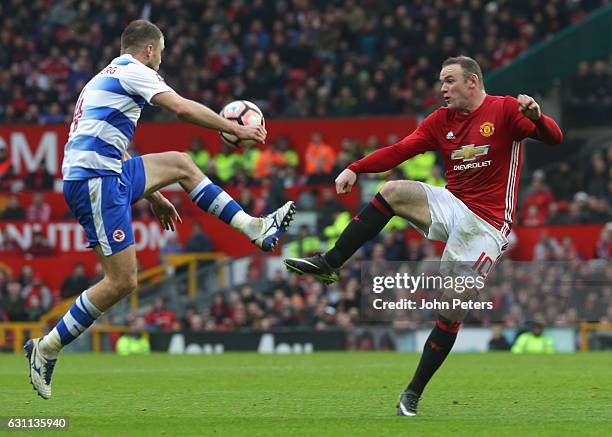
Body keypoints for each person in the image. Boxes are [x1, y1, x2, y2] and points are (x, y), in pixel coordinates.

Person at [25, 20, 296, 400]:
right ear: (150, 50)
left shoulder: (102, 77)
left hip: (109, 170)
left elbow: (109, 138)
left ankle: (255, 226)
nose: (161, 63)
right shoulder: (136, 71)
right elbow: (182, 109)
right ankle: (47, 347)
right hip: (95, 181)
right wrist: (235, 128)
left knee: (181, 164)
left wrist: (153, 193)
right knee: (122, 282)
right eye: (162, 54)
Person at [284, 56, 563, 416]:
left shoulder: (506, 110)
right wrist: (355, 167)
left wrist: (538, 117)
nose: (442, 89)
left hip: (488, 225)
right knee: (394, 190)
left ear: (473, 82)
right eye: (441, 82)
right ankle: (329, 263)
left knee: (451, 306)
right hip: (452, 203)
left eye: (449, 81)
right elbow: (400, 150)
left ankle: (412, 393)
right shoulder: (440, 121)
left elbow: (554, 139)